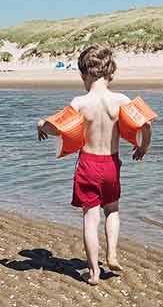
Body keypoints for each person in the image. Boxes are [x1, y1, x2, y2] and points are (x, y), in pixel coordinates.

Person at [36, 46, 152, 285]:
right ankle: (111, 254)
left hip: (88, 164)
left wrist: (40, 124)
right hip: (111, 163)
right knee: (112, 210)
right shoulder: (120, 100)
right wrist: (143, 147)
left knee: (90, 218)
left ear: (83, 75)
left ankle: (93, 272)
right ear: (111, 73)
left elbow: (57, 127)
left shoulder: (80, 102)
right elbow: (147, 125)